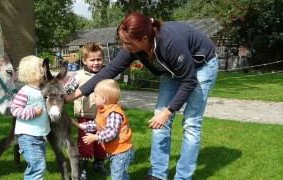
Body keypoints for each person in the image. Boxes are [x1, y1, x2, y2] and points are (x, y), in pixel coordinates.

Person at [65, 12, 219, 180]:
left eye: (128, 43)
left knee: (191, 124)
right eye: (122, 41)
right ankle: (158, 174)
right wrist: (72, 96)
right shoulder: (134, 46)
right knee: (158, 121)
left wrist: (167, 111)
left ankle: (183, 176)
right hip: (172, 70)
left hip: (201, 65)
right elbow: (108, 72)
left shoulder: (170, 42)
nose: (125, 46)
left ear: (144, 38)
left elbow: (189, 81)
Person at [71, 79, 135, 180]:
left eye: (95, 96)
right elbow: (97, 124)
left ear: (103, 99)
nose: (94, 98)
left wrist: (95, 137)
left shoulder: (114, 113)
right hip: (116, 151)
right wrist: (79, 125)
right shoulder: (103, 111)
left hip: (121, 152)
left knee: (117, 176)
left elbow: (111, 132)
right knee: (121, 175)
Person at [64, 42, 109, 180]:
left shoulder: (107, 74)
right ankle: (82, 168)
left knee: (102, 142)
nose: (96, 63)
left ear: (103, 59)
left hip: (103, 116)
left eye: (99, 59)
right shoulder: (78, 75)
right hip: (85, 116)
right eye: (92, 60)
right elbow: (66, 90)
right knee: (85, 143)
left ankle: (99, 164)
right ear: (84, 60)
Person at [10, 55, 50, 180]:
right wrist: (33, 112)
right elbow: (15, 109)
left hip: (38, 136)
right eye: (44, 71)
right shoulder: (25, 91)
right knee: (37, 166)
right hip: (28, 137)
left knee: (39, 165)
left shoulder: (40, 90)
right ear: (38, 73)